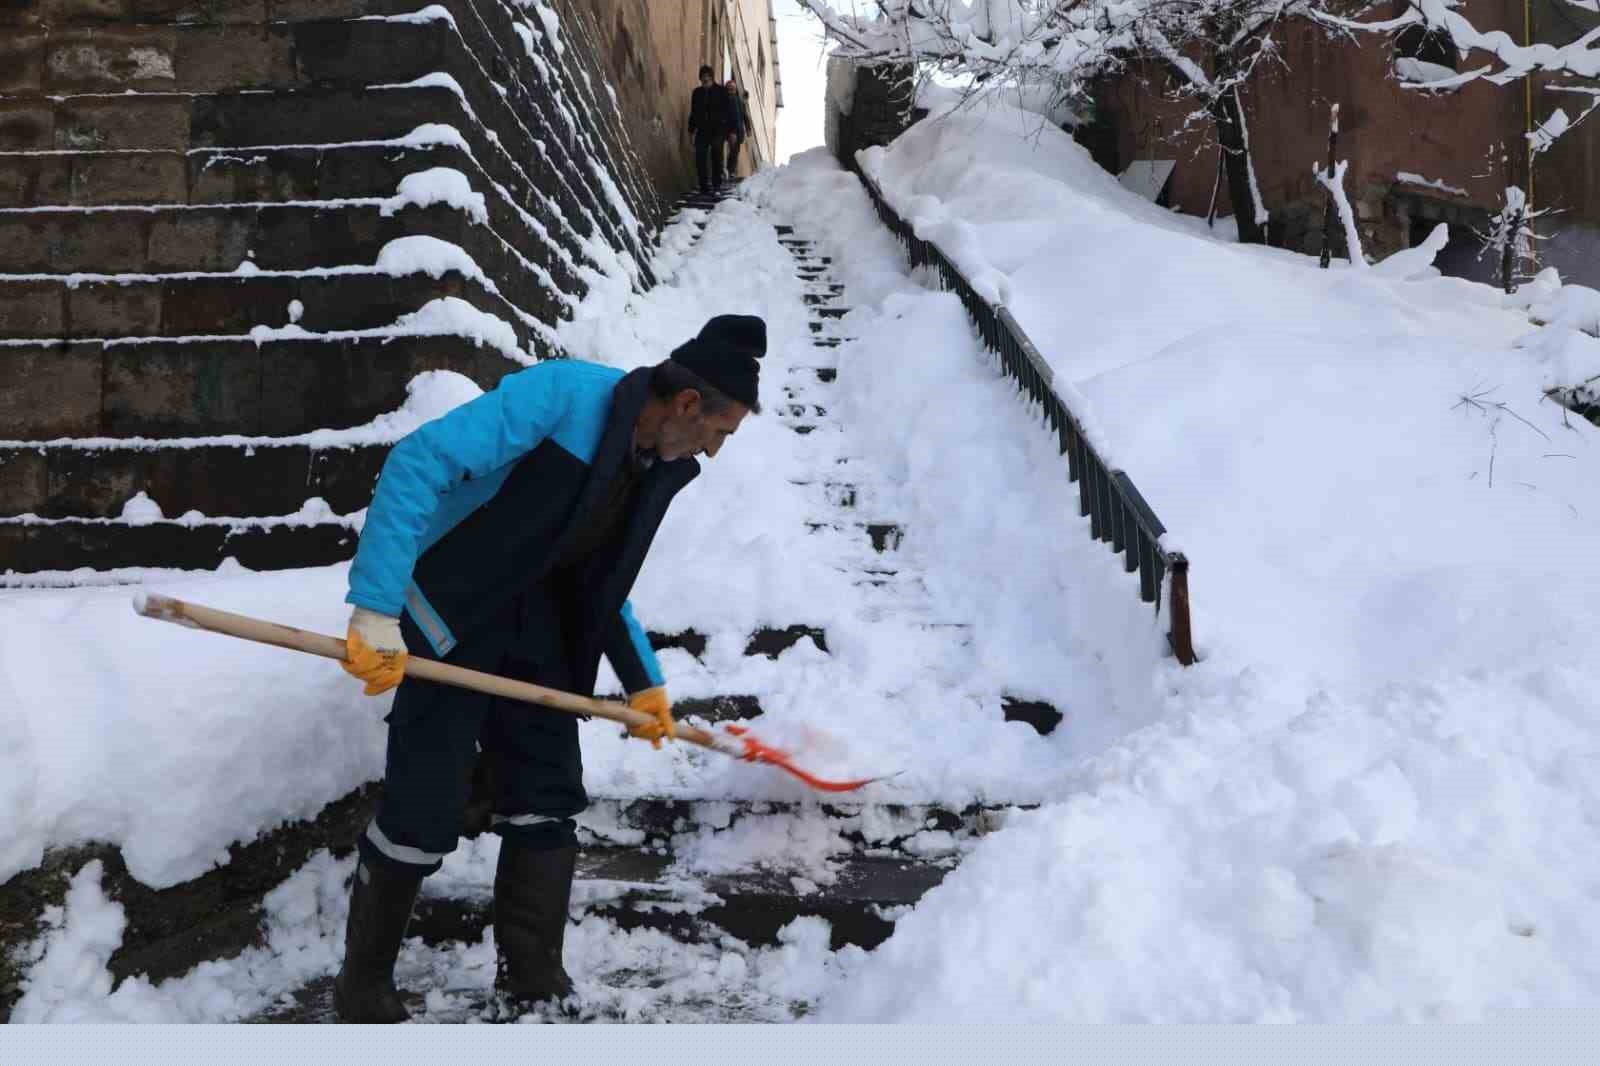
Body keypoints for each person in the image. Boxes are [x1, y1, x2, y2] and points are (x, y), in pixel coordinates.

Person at [333, 315, 767, 1022]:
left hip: (537, 628)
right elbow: (419, 461)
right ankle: (363, 990)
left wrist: (644, 681)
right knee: (424, 804)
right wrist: (376, 608)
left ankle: (532, 981)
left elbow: (601, 581)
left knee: (547, 794)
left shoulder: (649, 462)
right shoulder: (564, 395)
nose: (714, 451)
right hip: (453, 612)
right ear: (688, 404)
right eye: (720, 432)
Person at [688, 65, 736, 193]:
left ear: (712, 78)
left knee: (716, 152)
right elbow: (693, 112)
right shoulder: (697, 93)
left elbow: (730, 112)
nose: (705, 82)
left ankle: (716, 185)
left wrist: (732, 131)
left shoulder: (722, 92)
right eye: (702, 80)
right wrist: (691, 131)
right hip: (702, 130)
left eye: (707, 79)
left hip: (718, 130)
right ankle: (703, 186)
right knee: (700, 155)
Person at [724, 79, 746, 179]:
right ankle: (729, 170)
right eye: (729, 89)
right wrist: (732, 132)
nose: (731, 90)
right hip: (728, 130)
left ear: (735, 89)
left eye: (732, 88)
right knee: (731, 151)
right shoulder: (726, 100)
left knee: (735, 152)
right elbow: (731, 116)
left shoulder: (739, 102)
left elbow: (744, 116)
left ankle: (731, 171)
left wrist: (748, 128)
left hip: (738, 131)